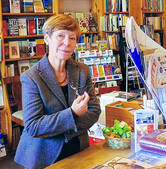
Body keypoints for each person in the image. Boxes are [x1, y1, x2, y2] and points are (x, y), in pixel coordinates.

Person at [14, 14, 101, 169]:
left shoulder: (82, 71)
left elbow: (94, 111)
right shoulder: (31, 77)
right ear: (47, 38)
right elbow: (33, 126)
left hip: (79, 148)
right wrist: (73, 113)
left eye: (72, 38)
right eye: (60, 36)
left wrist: (58, 127)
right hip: (44, 155)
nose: (67, 43)